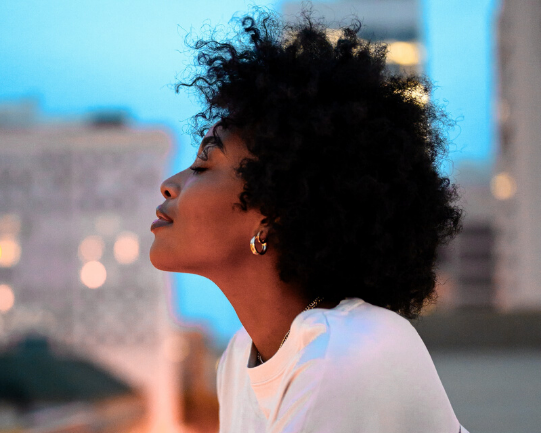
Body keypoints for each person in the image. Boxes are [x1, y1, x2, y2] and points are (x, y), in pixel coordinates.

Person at [149, 7, 469, 433]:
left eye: (204, 165)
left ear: (274, 212)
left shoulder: (351, 350)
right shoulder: (240, 358)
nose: (170, 184)